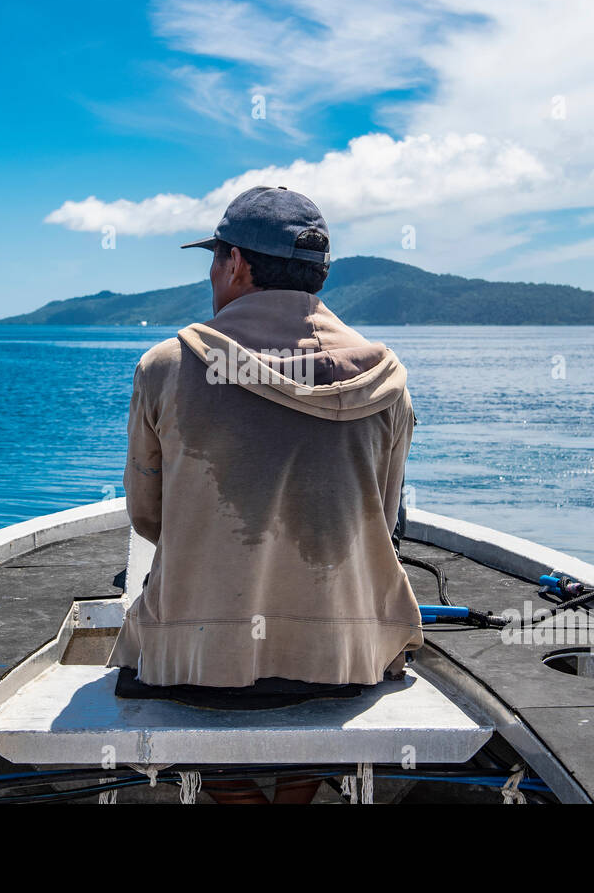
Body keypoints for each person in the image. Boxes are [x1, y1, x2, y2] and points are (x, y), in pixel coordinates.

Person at [106, 186, 423, 803]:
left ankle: (238, 796)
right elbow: (382, 522)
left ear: (239, 265)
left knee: (183, 665)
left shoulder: (167, 367)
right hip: (345, 658)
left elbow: (149, 519)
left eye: (215, 258)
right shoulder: (387, 382)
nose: (212, 273)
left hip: (197, 665)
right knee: (316, 688)